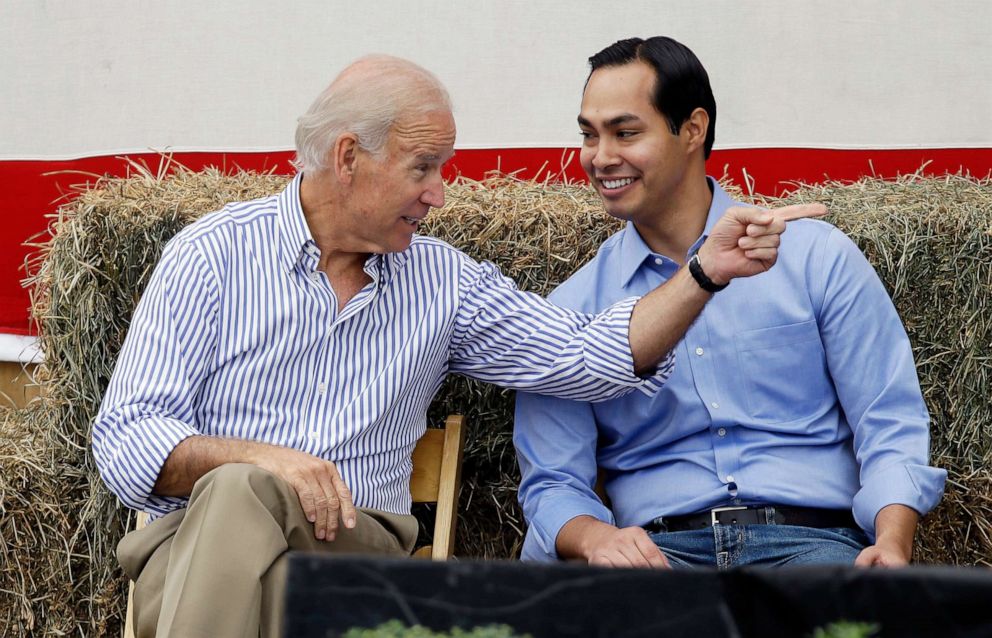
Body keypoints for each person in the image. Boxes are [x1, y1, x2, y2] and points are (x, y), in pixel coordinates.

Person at [92, 54, 821, 637]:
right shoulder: (210, 256)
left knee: (261, 530)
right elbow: (125, 440)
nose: (440, 193)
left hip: (350, 553)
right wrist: (258, 460)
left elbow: (586, 356)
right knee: (243, 494)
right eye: (424, 167)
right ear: (348, 157)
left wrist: (702, 272)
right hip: (194, 557)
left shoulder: (441, 281)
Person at [514, 36, 946, 570]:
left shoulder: (815, 256)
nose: (601, 158)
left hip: (812, 546)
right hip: (658, 556)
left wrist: (892, 540)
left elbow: (889, 419)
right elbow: (552, 483)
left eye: (625, 133)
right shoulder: (569, 308)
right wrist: (596, 537)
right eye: (588, 134)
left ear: (692, 129)